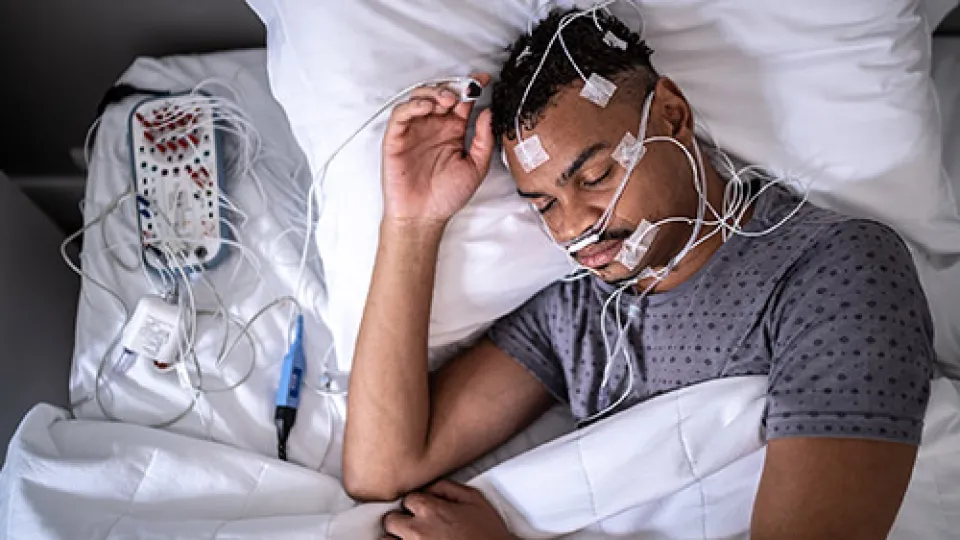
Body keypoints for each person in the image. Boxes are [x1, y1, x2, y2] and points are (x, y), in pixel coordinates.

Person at [342, 7, 936, 540]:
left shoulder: (834, 270)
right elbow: (381, 468)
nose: (574, 227)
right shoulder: (578, 313)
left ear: (673, 116)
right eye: (544, 204)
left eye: (595, 177)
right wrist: (413, 222)